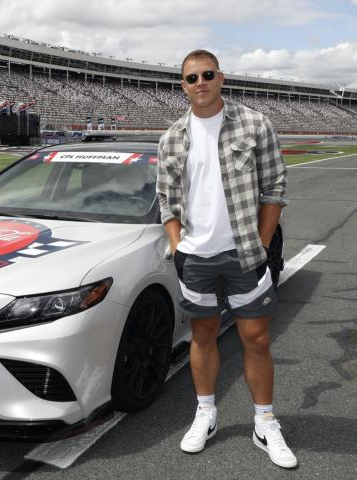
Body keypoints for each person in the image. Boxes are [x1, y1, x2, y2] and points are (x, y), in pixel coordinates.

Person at [156, 50, 297, 469]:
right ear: (182, 85)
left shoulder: (255, 123)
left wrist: (261, 241)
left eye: (207, 74)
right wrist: (177, 242)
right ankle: (206, 413)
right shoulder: (172, 138)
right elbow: (166, 198)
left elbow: (274, 186)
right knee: (202, 336)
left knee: (256, 339)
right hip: (195, 257)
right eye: (191, 77)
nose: (200, 82)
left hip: (244, 254)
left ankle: (265, 421)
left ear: (221, 78)